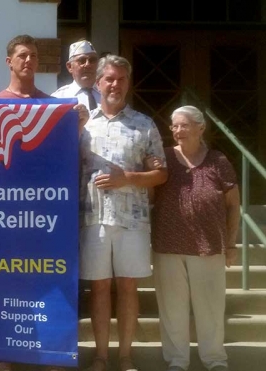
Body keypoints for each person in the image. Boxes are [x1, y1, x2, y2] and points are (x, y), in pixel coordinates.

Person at [0, 34, 88, 371]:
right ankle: (5, 354)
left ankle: (50, 352)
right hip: (3, 218)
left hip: (44, 217)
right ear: (9, 62)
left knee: (47, 283)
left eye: (32, 55)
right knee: (5, 281)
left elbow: (61, 158)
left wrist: (76, 125)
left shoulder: (52, 105)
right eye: (21, 55)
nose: (28, 60)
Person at [79, 54, 168, 371]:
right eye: (109, 79)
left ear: (128, 84)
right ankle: (101, 356)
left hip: (133, 220)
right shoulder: (83, 123)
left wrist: (126, 179)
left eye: (121, 79)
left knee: (129, 286)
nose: (115, 84)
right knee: (99, 287)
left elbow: (161, 174)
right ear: (99, 83)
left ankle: (126, 356)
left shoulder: (144, 124)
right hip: (92, 219)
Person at [150, 106, 240, 371]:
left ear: (200, 128)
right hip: (168, 243)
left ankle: (214, 359)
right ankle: (177, 360)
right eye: (174, 126)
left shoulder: (218, 160)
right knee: (171, 308)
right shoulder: (163, 158)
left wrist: (232, 243)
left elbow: (233, 205)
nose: (178, 131)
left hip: (209, 245)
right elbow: (150, 197)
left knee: (210, 307)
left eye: (184, 125)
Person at [52, 40, 101, 111]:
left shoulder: (107, 94)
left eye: (92, 60)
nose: (88, 65)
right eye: (82, 60)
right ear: (69, 67)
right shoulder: (59, 98)